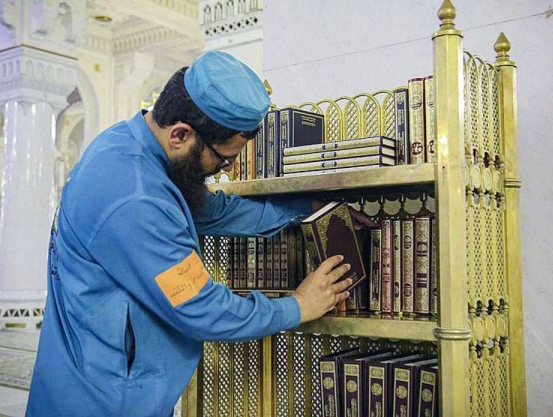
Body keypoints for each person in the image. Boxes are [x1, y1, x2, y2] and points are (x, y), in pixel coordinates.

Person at [26, 50, 374, 416]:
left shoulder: (129, 147)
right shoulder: (135, 198)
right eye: (222, 159)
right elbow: (199, 307)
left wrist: (307, 209)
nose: (225, 170)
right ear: (181, 134)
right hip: (103, 403)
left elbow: (212, 209)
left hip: (91, 384)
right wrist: (298, 306)